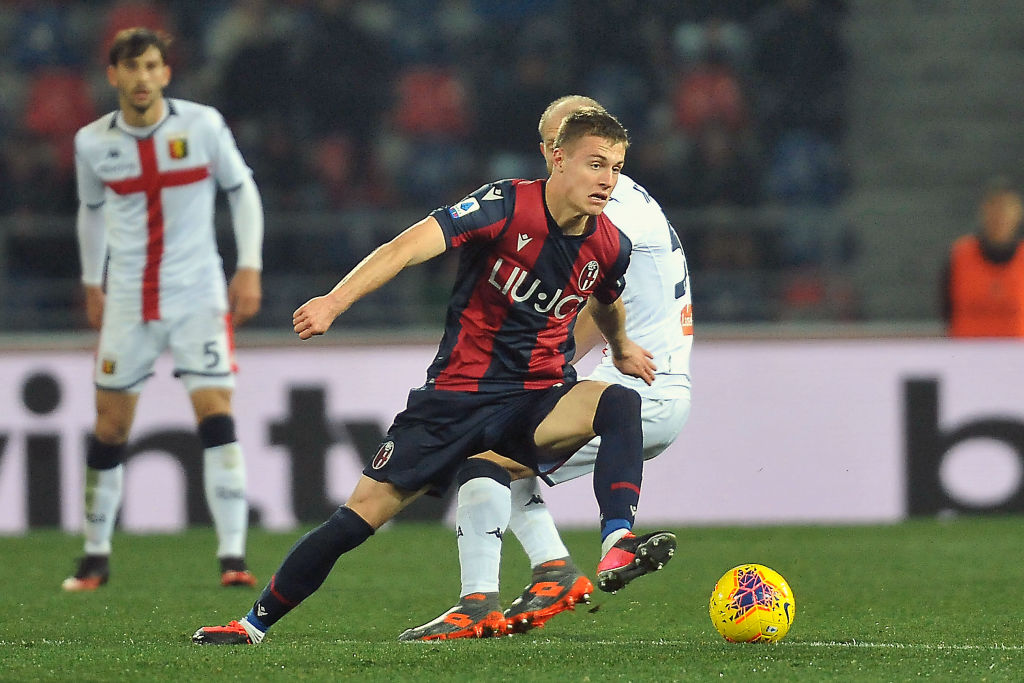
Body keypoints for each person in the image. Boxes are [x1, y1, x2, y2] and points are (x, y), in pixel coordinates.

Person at [192, 107, 669, 645]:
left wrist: (623, 347)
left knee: (619, 403)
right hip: (454, 401)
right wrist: (333, 301)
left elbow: (606, 300)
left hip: (535, 399)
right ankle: (251, 624)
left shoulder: (610, 245)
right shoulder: (504, 205)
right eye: (595, 164)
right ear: (558, 160)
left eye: (617, 168)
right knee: (356, 520)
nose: (607, 180)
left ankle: (617, 540)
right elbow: (404, 248)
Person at [399, 95, 693, 641]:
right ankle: (555, 570)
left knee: (480, 458)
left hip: (635, 383)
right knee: (501, 459)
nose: (556, 157)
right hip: (656, 383)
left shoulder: (605, 216)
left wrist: (531, 381)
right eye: (551, 145)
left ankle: (482, 600)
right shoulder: (622, 200)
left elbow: (585, 314)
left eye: (569, 143)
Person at [63, 27, 264, 591]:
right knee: (110, 425)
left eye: (152, 66)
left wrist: (248, 265)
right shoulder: (91, 142)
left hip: (197, 294)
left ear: (166, 73)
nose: (142, 77)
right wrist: (90, 281)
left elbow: (241, 188)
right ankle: (95, 554)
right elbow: (90, 210)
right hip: (127, 296)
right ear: (114, 76)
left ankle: (232, 557)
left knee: (215, 413)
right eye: (131, 68)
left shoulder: (201, 125)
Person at [942, 177, 1024, 337]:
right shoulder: (960, 256)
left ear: (1018, 212)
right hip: (967, 354)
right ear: (983, 210)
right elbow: (946, 309)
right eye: (994, 205)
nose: (1000, 214)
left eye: (1007, 207)